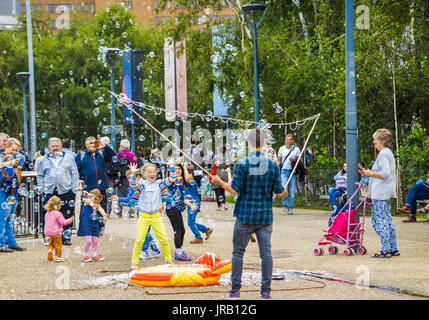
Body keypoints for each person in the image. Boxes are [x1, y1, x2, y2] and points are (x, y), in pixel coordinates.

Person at [211, 128, 288, 300]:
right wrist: (286, 189)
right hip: (264, 216)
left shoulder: (242, 163)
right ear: (265, 143)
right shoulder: (273, 165)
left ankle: (235, 292)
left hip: (245, 215)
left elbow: (234, 190)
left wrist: (219, 182)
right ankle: (265, 293)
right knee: (265, 254)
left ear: (249, 143)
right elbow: (281, 193)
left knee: (238, 253)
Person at [126, 161, 177, 269]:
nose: (152, 174)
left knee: (163, 239)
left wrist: (171, 167)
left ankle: (169, 261)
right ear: (144, 174)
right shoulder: (142, 183)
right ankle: (134, 262)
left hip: (156, 216)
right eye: (149, 172)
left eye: (154, 172)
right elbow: (133, 184)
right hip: (144, 216)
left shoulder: (159, 183)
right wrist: (133, 173)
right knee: (139, 240)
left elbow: (172, 179)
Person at [360, 128, 399, 258]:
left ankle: (385, 249)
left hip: (380, 193)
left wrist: (370, 173)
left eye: (375, 139)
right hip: (386, 192)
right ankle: (393, 248)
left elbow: (385, 173)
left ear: (381, 141)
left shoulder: (383, 154)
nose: (374, 142)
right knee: (387, 219)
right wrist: (369, 173)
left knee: (379, 221)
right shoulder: (388, 153)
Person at [37, 137, 79, 245]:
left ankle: (66, 237)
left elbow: (74, 173)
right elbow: (40, 175)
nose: (55, 148)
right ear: (49, 147)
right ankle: (48, 238)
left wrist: (73, 188)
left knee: (67, 213)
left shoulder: (68, 157)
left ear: (61, 146)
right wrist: (42, 188)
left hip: (65, 190)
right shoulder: (43, 159)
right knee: (47, 215)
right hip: (49, 191)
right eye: (53, 146)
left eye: (57, 146)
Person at [111, 169, 161, 260]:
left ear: (138, 177)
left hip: (148, 212)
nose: (130, 180)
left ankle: (144, 251)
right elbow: (130, 200)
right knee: (145, 232)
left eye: (131, 178)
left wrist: (119, 199)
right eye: (129, 178)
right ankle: (155, 249)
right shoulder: (134, 187)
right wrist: (118, 199)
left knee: (145, 233)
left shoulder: (143, 185)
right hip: (141, 211)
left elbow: (130, 200)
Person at [75, 136, 116, 213]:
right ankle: (85, 225)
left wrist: (105, 147)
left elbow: (114, 156)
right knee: (86, 210)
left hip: (101, 188)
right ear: (86, 145)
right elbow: (74, 170)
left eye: (94, 143)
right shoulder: (81, 156)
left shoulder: (101, 153)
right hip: (88, 189)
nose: (93, 145)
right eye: (90, 143)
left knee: (102, 210)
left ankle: (101, 225)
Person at [165, 157, 196, 261]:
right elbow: (171, 175)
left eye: (179, 169)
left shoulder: (182, 181)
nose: (177, 170)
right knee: (177, 230)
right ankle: (178, 253)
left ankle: (180, 251)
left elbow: (188, 179)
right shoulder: (171, 180)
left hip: (177, 208)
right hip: (172, 208)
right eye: (176, 169)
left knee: (182, 231)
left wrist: (185, 167)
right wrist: (171, 166)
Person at [0, 138, 26, 252]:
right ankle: (1, 243)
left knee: (10, 217)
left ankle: (11, 242)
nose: (14, 152)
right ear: (7, 146)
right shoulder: (2, 157)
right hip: (2, 190)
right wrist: (10, 162)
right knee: (2, 217)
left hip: (13, 190)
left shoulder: (17, 158)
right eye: (13, 149)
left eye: (16, 150)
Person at [77, 189, 109, 262]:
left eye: (98, 200)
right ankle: (85, 256)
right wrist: (92, 204)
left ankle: (94, 255)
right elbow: (89, 202)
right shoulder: (87, 202)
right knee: (88, 240)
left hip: (94, 224)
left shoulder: (97, 205)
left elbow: (101, 209)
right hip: (86, 224)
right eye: (95, 199)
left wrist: (104, 214)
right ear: (91, 197)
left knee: (95, 240)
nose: (96, 201)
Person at [184, 165, 213, 244]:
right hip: (191, 203)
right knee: (191, 222)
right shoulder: (187, 182)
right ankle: (206, 230)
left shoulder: (192, 181)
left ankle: (198, 237)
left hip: (194, 203)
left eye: (185, 173)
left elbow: (187, 178)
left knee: (190, 222)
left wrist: (184, 167)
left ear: (190, 174)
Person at [43, 195, 75, 262]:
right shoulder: (58, 213)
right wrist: (70, 219)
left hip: (47, 233)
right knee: (58, 245)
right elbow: (62, 222)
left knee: (50, 244)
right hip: (56, 233)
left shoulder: (47, 213)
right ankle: (58, 257)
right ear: (57, 206)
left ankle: (50, 250)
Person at [112, 139, 138, 217]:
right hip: (131, 176)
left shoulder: (118, 154)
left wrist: (116, 177)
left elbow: (115, 166)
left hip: (121, 177)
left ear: (121, 146)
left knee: (120, 193)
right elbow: (135, 166)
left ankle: (119, 212)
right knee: (132, 193)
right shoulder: (133, 155)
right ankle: (131, 211)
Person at [277, 133, 300, 215]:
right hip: (283, 172)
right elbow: (278, 160)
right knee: (284, 190)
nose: (288, 141)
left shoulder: (296, 149)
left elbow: (299, 161)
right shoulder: (281, 149)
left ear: (293, 140)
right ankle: (284, 206)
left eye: (290, 139)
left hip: (292, 172)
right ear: (285, 140)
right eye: (287, 139)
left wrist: (294, 160)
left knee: (292, 191)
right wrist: (276, 168)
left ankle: (291, 208)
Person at [210, 147, 229, 211]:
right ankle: (223, 205)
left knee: (217, 191)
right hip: (224, 174)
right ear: (225, 151)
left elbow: (212, 166)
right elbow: (228, 166)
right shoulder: (226, 157)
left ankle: (219, 206)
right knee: (222, 191)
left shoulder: (215, 157)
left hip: (217, 174)